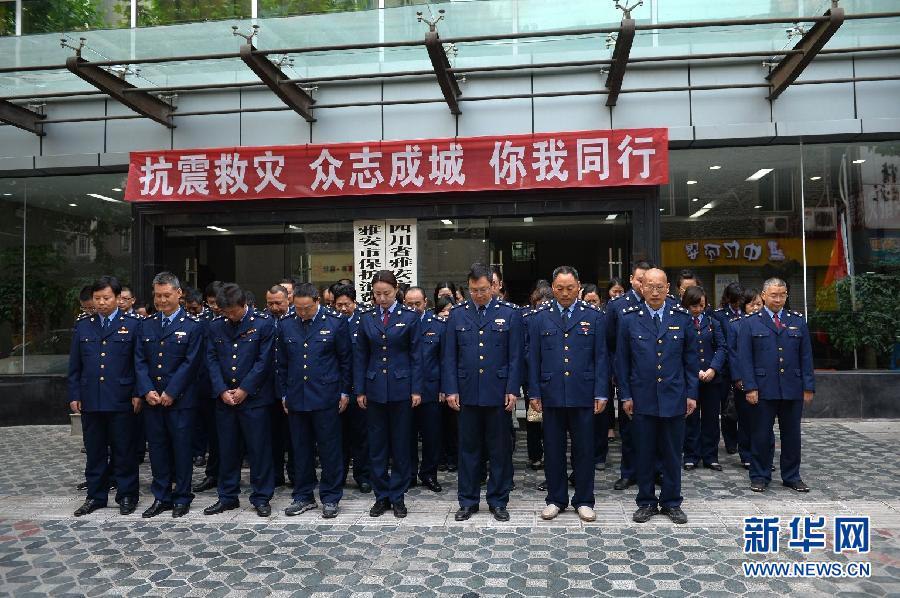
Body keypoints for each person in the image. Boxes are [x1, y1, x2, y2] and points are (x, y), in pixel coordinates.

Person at [616, 268, 698, 525]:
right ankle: (647, 501)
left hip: (674, 396)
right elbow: (622, 362)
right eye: (649, 286)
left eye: (659, 286)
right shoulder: (629, 318)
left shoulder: (682, 317)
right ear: (641, 287)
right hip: (642, 398)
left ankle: (672, 501)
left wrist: (691, 394)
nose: (654, 291)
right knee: (644, 452)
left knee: (673, 453)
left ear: (668, 289)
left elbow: (690, 360)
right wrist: (625, 395)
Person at [526, 266, 608, 522]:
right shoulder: (539, 317)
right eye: (559, 288)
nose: (564, 293)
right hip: (550, 394)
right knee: (552, 449)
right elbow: (534, 359)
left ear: (579, 286)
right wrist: (534, 392)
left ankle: (584, 500)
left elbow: (602, 357)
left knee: (584, 449)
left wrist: (601, 393)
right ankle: (556, 498)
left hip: (583, 393)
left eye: (570, 288)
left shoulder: (593, 316)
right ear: (552, 288)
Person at [442, 263, 523, 522]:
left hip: (497, 393)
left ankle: (498, 501)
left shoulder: (510, 313)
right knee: (468, 450)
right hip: (466, 393)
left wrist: (512, 388)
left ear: (494, 286)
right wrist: (451, 389)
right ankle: (468, 501)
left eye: (484, 289)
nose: (479, 295)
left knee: (499, 450)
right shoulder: (457, 314)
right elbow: (449, 357)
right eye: (474, 290)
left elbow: (515, 356)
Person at [276, 283, 352, 519]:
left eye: (307, 308)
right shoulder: (286, 323)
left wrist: (344, 391)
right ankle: (303, 495)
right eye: (298, 308)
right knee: (300, 450)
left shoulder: (334, 321)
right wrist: (284, 394)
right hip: (297, 396)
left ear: (317, 301)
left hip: (326, 395)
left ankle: (330, 497)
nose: (302, 313)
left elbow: (345, 360)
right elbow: (281, 363)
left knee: (330, 450)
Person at [69, 276, 142, 517]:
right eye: (97, 299)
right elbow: (75, 366)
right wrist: (75, 394)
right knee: (95, 451)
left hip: (121, 397)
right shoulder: (83, 325)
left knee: (124, 450)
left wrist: (136, 393)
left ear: (118, 298)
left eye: (106, 298)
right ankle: (96, 495)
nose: (101, 303)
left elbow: (138, 364)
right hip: (91, 398)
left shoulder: (132, 324)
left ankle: (127, 494)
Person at [354, 270, 423, 518]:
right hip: (374, 390)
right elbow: (361, 355)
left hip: (402, 389)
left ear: (396, 291)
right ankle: (381, 495)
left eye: (386, 293)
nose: (381, 298)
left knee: (401, 445)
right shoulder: (366, 317)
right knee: (377, 446)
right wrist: (360, 389)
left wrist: (416, 389)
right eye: (377, 294)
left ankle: (398, 495)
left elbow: (417, 355)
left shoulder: (410, 317)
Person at [203, 283, 276, 517]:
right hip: (225, 399)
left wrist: (245, 388)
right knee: (227, 449)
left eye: (233, 311)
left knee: (259, 449)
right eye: (224, 312)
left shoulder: (262, 324)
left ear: (244, 305)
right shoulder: (215, 326)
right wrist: (222, 390)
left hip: (254, 398)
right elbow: (211, 360)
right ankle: (227, 496)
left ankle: (262, 496)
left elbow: (264, 361)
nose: (229, 316)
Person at [134, 272, 203, 518]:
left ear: (178, 294)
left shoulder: (193, 325)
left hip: (180, 400)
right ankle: (161, 495)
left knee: (182, 450)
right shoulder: (147, 324)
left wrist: (171, 391)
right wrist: (147, 389)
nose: (161, 300)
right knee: (158, 450)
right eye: (157, 295)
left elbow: (191, 362)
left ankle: (182, 496)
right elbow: (140, 361)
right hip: (153, 400)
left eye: (166, 295)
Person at [739, 278, 815, 493]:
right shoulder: (750, 322)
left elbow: (806, 356)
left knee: (792, 434)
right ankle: (760, 475)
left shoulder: (797, 321)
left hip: (792, 387)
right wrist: (750, 387)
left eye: (782, 295)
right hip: (763, 388)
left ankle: (792, 476)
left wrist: (808, 386)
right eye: (773, 295)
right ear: (764, 295)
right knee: (761, 434)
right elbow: (745, 359)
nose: (778, 299)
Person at [605, 261, 652, 491]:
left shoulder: (664, 304)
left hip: (656, 378)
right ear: (632, 280)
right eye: (639, 279)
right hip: (629, 377)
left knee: (658, 429)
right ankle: (629, 472)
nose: (644, 284)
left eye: (648, 280)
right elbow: (611, 343)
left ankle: (656, 472)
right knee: (629, 427)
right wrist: (616, 372)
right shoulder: (617, 306)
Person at [680, 286, 727, 472]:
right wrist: (695, 372)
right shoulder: (681, 323)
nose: (698, 309)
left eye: (701, 305)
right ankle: (691, 455)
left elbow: (722, 347)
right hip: (690, 378)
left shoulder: (712, 323)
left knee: (711, 419)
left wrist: (713, 368)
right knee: (690, 418)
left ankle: (710, 455)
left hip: (711, 379)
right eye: (694, 306)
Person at [404, 286, 445, 493]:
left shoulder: (438, 325)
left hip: (431, 389)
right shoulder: (399, 324)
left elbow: (445, 359)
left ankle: (428, 473)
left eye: (417, 304)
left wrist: (444, 387)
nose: (413, 308)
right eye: (409, 304)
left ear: (426, 303)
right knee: (406, 434)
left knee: (432, 436)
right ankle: (409, 473)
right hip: (405, 389)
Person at [332, 284, 372, 493]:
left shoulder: (363, 321)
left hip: (358, 388)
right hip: (336, 388)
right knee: (338, 437)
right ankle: (338, 475)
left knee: (361, 436)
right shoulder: (331, 322)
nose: (342, 309)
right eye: (338, 305)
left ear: (354, 303)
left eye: (346, 304)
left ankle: (363, 475)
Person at [728, 287, 765, 469]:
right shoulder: (735, 325)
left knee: (763, 421)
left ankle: (763, 456)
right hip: (743, 380)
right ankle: (746, 454)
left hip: (763, 379)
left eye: (759, 304)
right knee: (745, 419)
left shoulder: (766, 323)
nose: (756, 307)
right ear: (744, 306)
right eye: (752, 304)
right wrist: (738, 378)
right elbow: (733, 354)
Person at [264, 284, 293, 487]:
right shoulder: (262, 321)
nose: (274, 307)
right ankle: (275, 474)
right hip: (267, 387)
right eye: (270, 303)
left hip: (292, 386)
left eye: (278, 303)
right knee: (271, 436)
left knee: (294, 436)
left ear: (288, 300)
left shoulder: (295, 320)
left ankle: (295, 474)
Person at [712, 282, 745, 455]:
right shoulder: (719, 315)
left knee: (745, 408)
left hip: (744, 365)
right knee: (728, 407)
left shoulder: (748, 313)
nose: (738, 305)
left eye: (740, 301)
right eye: (734, 301)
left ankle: (744, 440)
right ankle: (731, 441)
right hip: (725, 369)